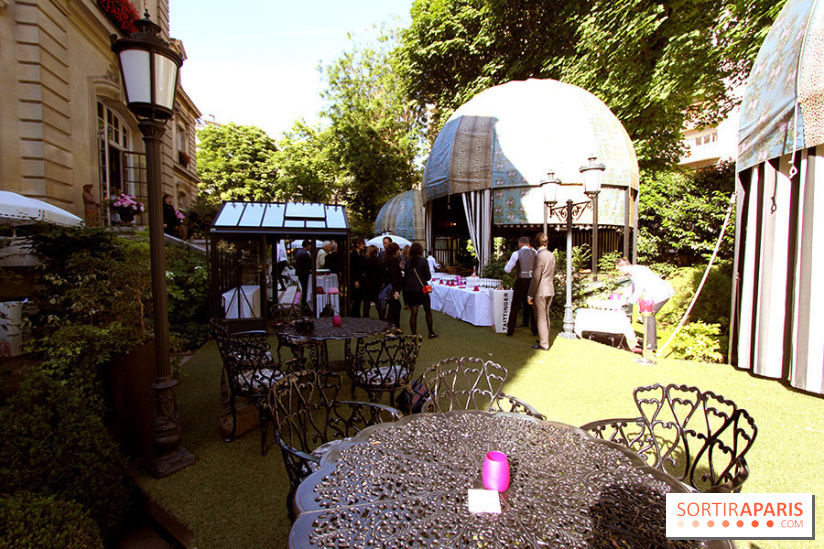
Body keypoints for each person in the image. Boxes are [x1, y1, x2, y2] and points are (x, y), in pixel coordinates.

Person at [615, 257, 675, 353]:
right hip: (654, 295)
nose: (620, 272)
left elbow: (639, 288)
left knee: (648, 316)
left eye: (619, 269)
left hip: (661, 294)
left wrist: (631, 301)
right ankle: (648, 341)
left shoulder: (638, 272)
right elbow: (632, 287)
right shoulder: (634, 271)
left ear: (625, 266)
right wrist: (623, 298)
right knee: (645, 316)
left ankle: (651, 345)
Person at [527, 233, 556, 351]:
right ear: (546, 243)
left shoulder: (538, 257)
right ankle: (545, 338)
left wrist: (530, 294)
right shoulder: (551, 255)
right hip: (550, 288)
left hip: (541, 290)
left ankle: (544, 343)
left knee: (540, 317)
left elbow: (536, 277)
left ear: (535, 243)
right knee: (546, 315)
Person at [403, 242, 438, 338]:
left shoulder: (407, 261)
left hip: (411, 290)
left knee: (414, 313)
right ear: (420, 251)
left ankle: (414, 334)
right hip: (422, 290)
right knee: (427, 311)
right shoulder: (423, 261)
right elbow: (428, 277)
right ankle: (430, 332)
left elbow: (406, 276)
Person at [504, 236, 537, 337]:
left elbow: (507, 270)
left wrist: (507, 265)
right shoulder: (535, 252)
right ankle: (535, 330)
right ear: (528, 244)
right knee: (531, 304)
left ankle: (510, 330)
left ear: (520, 244)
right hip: (532, 281)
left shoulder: (516, 253)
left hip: (521, 280)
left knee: (515, 305)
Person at [382, 242, 404, 329]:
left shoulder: (386, 260)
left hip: (390, 286)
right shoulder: (393, 261)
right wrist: (396, 290)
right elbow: (393, 275)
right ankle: (389, 328)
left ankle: (396, 326)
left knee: (395, 306)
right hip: (393, 287)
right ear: (396, 250)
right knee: (394, 307)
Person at [361, 245, 384, 319]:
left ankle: (366, 318)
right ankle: (382, 317)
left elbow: (363, 271)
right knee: (377, 302)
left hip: (367, 284)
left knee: (366, 304)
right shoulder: (379, 262)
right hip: (376, 284)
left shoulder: (366, 261)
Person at [295, 240, 313, 314]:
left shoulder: (299, 252)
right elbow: (309, 264)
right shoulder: (304, 254)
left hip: (301, 274)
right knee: (305, 289)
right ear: (306, 245)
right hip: (304, 274)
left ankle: (304, 304)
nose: (310, 246)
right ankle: (304, 305)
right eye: (309, 245)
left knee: (304, 289)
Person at [349, 238, 365, 317]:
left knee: (358, 298)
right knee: (356, 298)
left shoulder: (359, 255)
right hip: (356, 278)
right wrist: (355, 280)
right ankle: (354, 314)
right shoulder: (354, 255)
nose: (364, 245)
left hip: (359, 278)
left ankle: (356, 313)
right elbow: (353, 269)